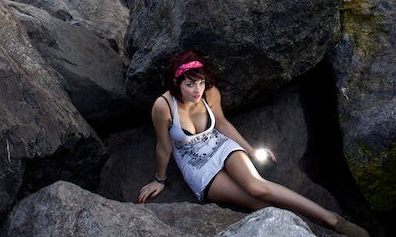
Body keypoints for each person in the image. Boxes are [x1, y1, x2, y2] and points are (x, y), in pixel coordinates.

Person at [137, 50, 370, 237]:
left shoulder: (209, 92)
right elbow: (164, 146)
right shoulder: (163, 106)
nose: (197, 90)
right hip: (197, 166)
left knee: (257, 186)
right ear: (177, 83)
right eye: (190, 85)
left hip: (220, 145)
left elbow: (221, 123)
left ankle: (332, 219)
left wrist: (251, 150)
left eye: (200, 83)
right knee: (257, 204)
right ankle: (310, 228)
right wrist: (160, 180)